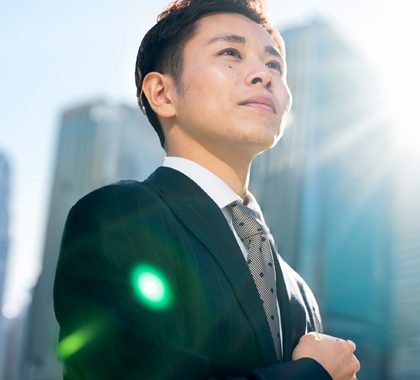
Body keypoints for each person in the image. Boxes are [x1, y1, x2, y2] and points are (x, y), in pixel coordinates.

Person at [53, 0, 360, 379]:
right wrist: (313, 373)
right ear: (162, 94)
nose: (263, 75)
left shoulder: (299, 290)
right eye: (231, 53)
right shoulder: (117, 215)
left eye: (274, 64)